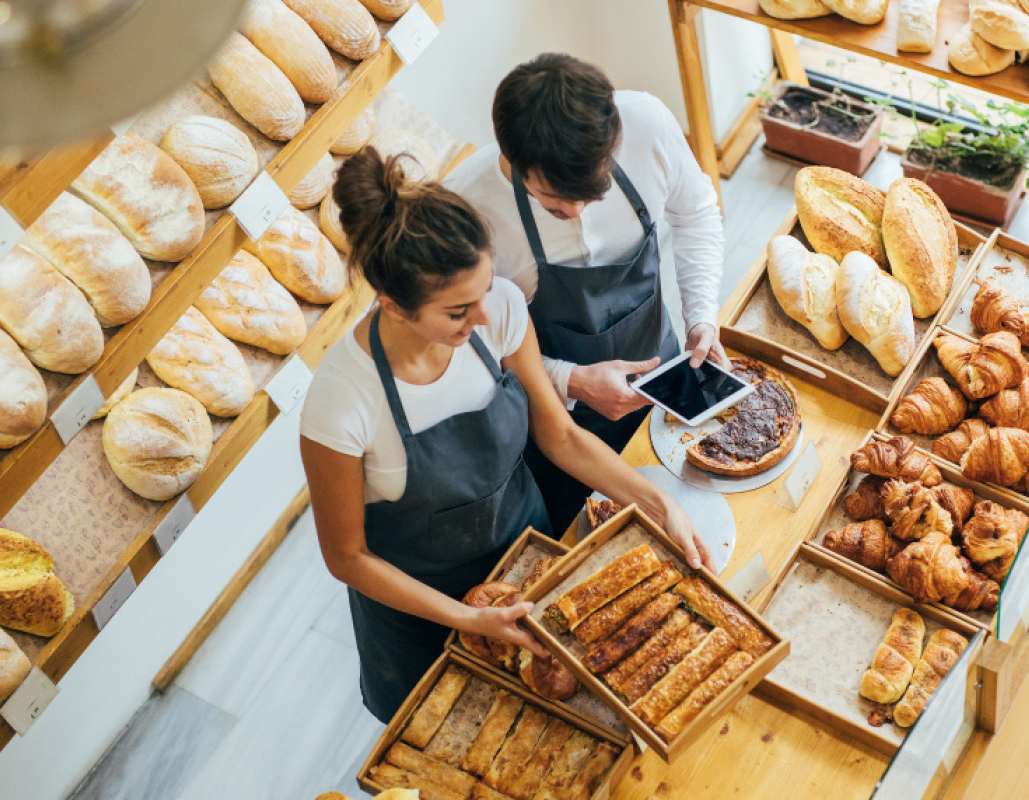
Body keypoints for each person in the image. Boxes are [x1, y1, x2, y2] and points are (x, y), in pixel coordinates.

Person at [299, 148, 710, 722]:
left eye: (486, 290)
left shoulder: (502, 311)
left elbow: (560, 437)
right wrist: (466, 618)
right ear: (392, 305)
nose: (485, 318)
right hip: (423, 617)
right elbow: (347, 557)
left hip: (528, 564)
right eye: (458, 311)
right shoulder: (341, 402)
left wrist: (658, 504)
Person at [444, 53, 729, 530]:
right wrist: (570, 380)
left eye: (590, 194)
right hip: (557, 424)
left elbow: (696, 212)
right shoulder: (466, 211)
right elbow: (469, 350)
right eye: (554, 199)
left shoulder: (647, 125)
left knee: (692, 510)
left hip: (664, 381)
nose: (575, 211)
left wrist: (701, 315)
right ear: (512, 159)